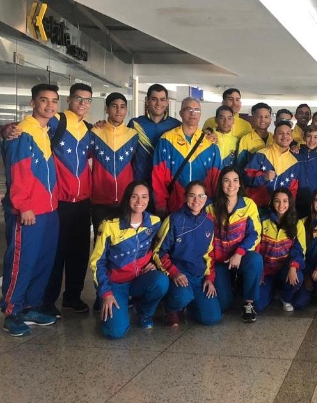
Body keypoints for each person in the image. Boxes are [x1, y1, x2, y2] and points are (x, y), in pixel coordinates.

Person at [1, 84, 61, 336]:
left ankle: (30, 307)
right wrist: (23, 206)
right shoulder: (21, 133)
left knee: (42, 261)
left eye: (54, 101)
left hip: (49, 210)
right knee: (21, 262)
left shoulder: (45, 130)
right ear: (33, 103)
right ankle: (12, 312)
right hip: (27, 212)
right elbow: (17, 173)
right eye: (44, 100)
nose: (50, 105)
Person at [89, 181, 169, 339]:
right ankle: (111, 306)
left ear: (149, 199)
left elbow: (157, 248)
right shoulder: (109, 225)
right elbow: (97, 262)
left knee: (161, 281)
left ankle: (144, 313)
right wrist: (106, 293)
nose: (140, 201)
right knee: (116, 332)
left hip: (139, 279)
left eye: (144, 197)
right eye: (134, 196)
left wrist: (153, 263)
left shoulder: (154, 222)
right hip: (115, 284)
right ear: (127, 198)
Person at [43, 83, 94, 316]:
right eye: (78, 98)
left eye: (87, 100)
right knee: (56, 253)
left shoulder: (89, 129)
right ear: (69, 100)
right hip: (60, 201)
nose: (83, 103)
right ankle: (47, 301)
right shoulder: (56, 121)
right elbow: (31, 128)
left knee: (79, 252)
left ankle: (72, 297)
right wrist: (7, 130)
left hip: (83, 202)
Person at [154, 181, 221, 327]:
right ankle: (172, 308)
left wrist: (209, 278)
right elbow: (159, 252)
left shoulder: (209, 221)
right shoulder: (174, 220)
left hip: (199, 276)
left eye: (201, 196)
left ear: (206, 199)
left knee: (212, 318)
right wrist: (174, 273)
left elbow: (210, 254)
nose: (196, 200)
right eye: (192, 195)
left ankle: (189, 303)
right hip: (179, 274)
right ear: (185, 197)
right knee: (182, 296)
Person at [208, 166, 263, 322]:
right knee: (224, 304)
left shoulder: (248, 204)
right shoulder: (209, 207)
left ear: (240, 184)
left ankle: (248, 304)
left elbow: (255, 234)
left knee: (255, 260)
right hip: (219, 261)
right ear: (221, 184)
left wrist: (239, 252)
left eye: (235, 180)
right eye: (226, 180)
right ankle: (231, 283)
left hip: (241, 257)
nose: (231, 185)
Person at [152, 97, 223, 216]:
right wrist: (160, 204)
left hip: (204, 209)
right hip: (174, 207)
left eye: (197, 110)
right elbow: (158, 175)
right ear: (181, 113)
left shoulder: (210, 143)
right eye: (188, 109)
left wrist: (217, 204)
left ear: (200, 114)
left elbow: (216, 177)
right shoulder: (167, 140)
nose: (193, 113)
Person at [89, 93, 138, 234]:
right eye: (114, 106)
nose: (118, 110)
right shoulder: (95, 132)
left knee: (124, 240)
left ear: (126, 110)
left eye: (122, 107)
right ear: (106, 109)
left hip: (126, 199)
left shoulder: (133, 135)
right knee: (101, 240)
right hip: (100, 200)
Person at [255, 189, 306, 312]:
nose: (281, 205)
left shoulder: (297, 224)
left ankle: (285, 298)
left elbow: (299, 251)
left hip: (285, 269)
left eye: (285, 201)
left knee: (298, 277)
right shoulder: (263, 221)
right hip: (266, 271)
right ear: (272, 203)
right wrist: (258, 272)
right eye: (277, 201)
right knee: (257, 306)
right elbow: (256, 248)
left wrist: (293, 267)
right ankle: (271, 290)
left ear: (290, 203)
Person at [128, 84, 181, 183]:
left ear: (167, 102)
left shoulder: (176, 126)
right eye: (154, 99)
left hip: (166, 183)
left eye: (162, 99)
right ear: (147, 100)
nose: (158, 103)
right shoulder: (135, 124)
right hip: (140, 183)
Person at [244, 120, 299, 214]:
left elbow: (293, 190)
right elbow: (246, 178)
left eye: (288, 133)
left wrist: (288, 210)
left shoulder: (294, 162)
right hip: (257, 207)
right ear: (274, 137)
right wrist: (263, 177)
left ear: (292, 137)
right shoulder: (261, 154)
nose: (285, 136)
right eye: (280, 133)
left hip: (280, 211)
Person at [295, 125, 317, 218]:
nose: (312, 140)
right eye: (309, 136)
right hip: (296, 202)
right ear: (304, 137)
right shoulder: (295, 156)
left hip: (316, 204)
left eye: (315, 137)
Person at [236, 102, 274, 170]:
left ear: (270, 119)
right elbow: (240, 165)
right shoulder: (245, 140)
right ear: (253, 118)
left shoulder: (275, 138)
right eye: (259, 116)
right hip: (251, 176)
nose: (262, 119)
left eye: (266, 117)